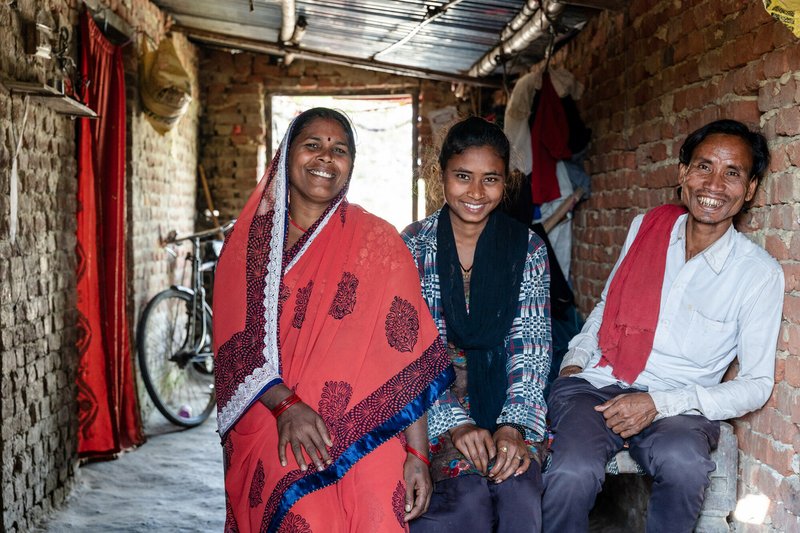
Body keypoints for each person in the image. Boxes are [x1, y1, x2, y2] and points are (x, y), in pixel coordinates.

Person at [212, 108, 455, 532]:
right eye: (312, 145)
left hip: (366, 418)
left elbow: (406, 360)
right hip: (271, 411)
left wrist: (417, 455)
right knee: (302, 502)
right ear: (286, 156)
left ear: (351, 166)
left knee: (379, 489)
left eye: (339, 150)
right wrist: (287, 406)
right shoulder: (247, 242)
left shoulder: (379, 242)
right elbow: (235, 349)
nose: (325, 158)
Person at [542, 119, 785, 532]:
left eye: (733, 173)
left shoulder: (757, 274)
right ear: (682, 174)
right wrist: (576, 359)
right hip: (599, 382)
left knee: (686, 465)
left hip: (678, 404)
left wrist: (659, 404)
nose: (714, 184)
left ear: (751, 190)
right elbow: (607, 304)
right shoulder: (647, 228)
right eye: (703, 167)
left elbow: (758, 384)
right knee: (571, 472)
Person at [402, 117, 552, 532]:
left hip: (509, 399)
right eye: (463, 176)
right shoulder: (412, 246)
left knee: (518, 490)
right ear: (441, 175)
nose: (475, 192)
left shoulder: (529, 248)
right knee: (465, 499)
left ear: (507, 182)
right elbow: (412, 353)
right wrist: (456, 422)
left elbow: (531, 351)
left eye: (491, 179)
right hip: (433, 405)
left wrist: (512, 425)